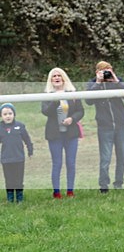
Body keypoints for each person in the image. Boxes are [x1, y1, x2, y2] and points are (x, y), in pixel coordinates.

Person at [86, 61, 124, 193]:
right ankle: (103, 185)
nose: (107, 73)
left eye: (109, 70)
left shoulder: (116, 82)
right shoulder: (93, 83)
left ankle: (119, 183)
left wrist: (115, 80)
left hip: (120, 125)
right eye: (104, 71)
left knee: (122, 157)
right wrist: (98, 83)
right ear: (97, 72)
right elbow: (88, 100)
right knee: (105, 158)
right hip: (105, 127)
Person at [41, 68, 84, 198]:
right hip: (55, 134)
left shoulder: (72, 93)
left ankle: (70, 191)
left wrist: (72, 119)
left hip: (70, 134)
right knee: (57, 163)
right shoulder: (47, 95)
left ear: (64, 78)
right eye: (54, 76)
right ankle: (57, 192)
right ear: (51, 80)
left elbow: (80, 111)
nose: (57, 78)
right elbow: (46, 112)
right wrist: (55, 100)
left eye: (59, 75)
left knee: (71, 163)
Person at [0, 103, 34, 203]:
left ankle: (19, 198)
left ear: (14, 114)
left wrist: (30, 150)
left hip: (19, 158)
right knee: (9, 179)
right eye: (5, 114)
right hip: (6, 159)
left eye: (10, 113)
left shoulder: (20, 126)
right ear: (1, 116)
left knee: (18, 179)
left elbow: (27, 139)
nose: (8, 116)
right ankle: (10, 198)